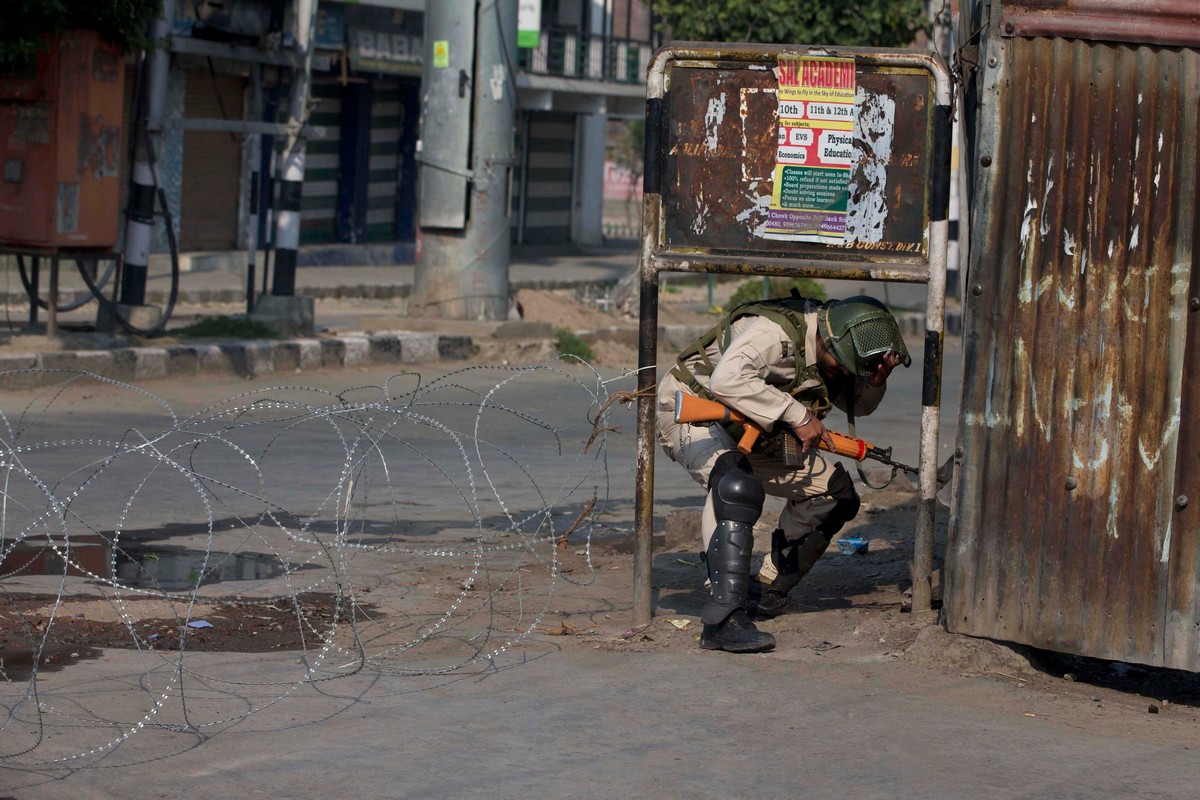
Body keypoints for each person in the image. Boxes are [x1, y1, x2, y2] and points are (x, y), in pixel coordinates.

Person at [656, 292, 910, 653]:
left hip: (756, 428)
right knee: (736, 485)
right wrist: (801, 416)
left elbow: (860, 405)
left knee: (836, 495)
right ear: (827, 339)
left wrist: (875, 379)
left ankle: (763, 590)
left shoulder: (834, 351)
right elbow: (726, 380)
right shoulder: (774, 334)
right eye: (840, 368)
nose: (840, 375)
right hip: (692, 409)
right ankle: (722, 618)